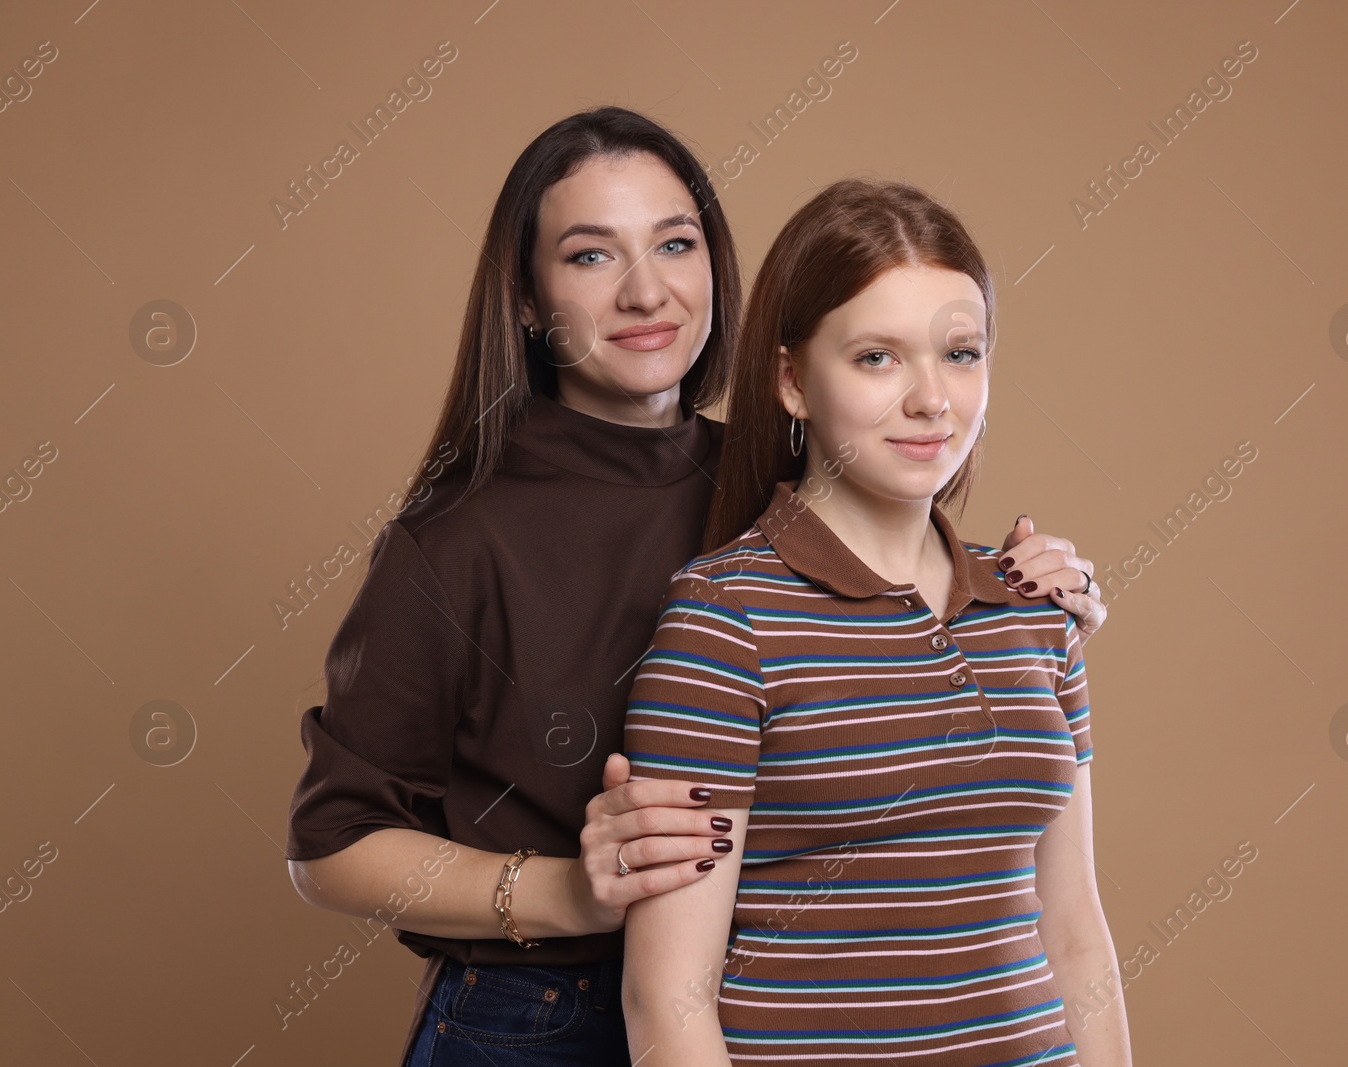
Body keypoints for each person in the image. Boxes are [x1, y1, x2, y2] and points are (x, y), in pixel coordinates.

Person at [282, 107, 1108, 1067]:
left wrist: (1034, 590)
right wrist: (570, 892)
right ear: (524, 296)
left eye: (676, 244)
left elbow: (895, 602)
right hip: (546, 1011)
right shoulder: (457, 540)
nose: (646, 291)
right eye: (592, 257)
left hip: (748, 999)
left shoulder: (774, 478)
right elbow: (331, 844)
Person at [620, 178, 1132, 1065]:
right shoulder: (723, 621)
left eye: (961, 353)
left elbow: (1078, 933)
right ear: (791, 380)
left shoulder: (1036, 610)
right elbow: (667, 1000)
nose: (934, 399)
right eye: (878, 358)